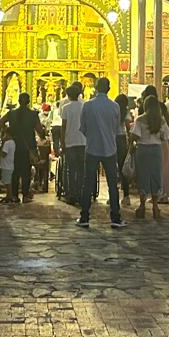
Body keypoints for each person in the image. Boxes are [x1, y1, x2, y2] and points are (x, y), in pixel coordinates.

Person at [77, 77, 125, 228]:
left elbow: (83, 128)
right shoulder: (115, 106)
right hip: (110, 149)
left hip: (91, 148)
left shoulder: (88, 105)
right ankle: (115, 218)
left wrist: (93, 137)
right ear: (109, 89)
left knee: (87, 182)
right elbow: (116, 129)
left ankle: (84, 217)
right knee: (112, 183)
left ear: (95, 88)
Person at [0, 93, 45, 204]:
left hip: (14, 145)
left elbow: (0, 122)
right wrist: (43, 135)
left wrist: (7, 132)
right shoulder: (33, 114)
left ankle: (14, 195)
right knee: (26, 171)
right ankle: (25, 195)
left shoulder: (12, 113)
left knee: (15, 170)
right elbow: (39, 129)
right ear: (29, 101)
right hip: (28, 146)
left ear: (19, 101)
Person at [132, 94, 169, 219]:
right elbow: (166, 136)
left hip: (143, 150)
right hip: (156, 150)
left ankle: (142, 206)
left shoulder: (140, 119)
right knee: (156, 176)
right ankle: (155, 206)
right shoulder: (161, 120)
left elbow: (135, 136)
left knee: (142, 176)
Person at [59, 83, 85, 207]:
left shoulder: (66, 108)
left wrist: (62, 142)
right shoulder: (84, 106)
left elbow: (63, 127)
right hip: (83, 141)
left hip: (70, 141)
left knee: (71, 169)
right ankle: (80, 194)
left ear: (68, 95)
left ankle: (71, 194)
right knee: (81, 169)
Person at [115, 93, 133, 206]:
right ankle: (126, 196)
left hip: (112, 138)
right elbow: (128, 127)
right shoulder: (125, 112)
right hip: (121, 139)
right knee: (123, 167)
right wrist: (130, 140)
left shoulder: (112, 110)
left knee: (111, 166)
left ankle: (112, 195)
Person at [0, 133, 17, 204]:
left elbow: (4, 154)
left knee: (7, 182)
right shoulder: (13, 142)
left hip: (6, 165)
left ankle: (9, 196)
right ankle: (9, 195)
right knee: (8, 181)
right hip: (10, 164)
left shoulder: (6, 143)